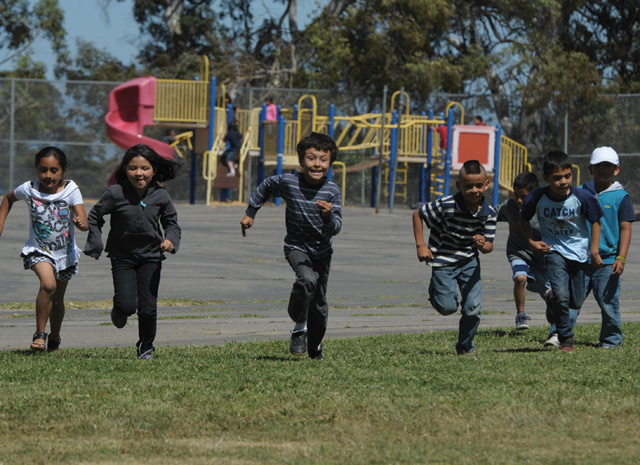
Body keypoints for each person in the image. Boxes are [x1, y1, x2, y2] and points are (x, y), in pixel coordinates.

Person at [240, 132, 342, 359]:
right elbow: (266, 186)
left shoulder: (332, 191)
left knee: (319, 304)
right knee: (307, 279)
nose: (317, 164)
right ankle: (299, 326)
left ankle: (315, 346)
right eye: (311, 158)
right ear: (301, 160)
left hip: (322, 252)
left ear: (330, 163)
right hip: (296, 246)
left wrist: (327, 216)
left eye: (323, 159)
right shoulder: (290, 182)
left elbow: (336, 228)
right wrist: (251, 212)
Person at [84, 144, 181, 360]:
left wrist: (171, 240)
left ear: (154, 169)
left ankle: (146, 347)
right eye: (133, 168)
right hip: (122, 257)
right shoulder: (115, 193)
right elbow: (94, 217)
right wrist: (95, 243)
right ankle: (119, 310)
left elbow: (172, 223)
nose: (139, 173)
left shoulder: (161, 195)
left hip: (151, 257)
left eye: (145, 168)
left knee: (148, 307)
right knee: (127, 305)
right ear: (125, 169)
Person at [0, 146, 88, 351]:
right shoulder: (29, 189)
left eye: (54, 170)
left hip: (65, 254)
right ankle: (40, 335)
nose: (48, 175)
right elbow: (8, 199)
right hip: (38, 250)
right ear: (36, 169)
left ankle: (54, 338)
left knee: (57, 301)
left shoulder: (71, 189)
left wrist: (82, 223)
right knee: (48, 285)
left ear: (63, 170)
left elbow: (82, 217)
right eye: (43, 170)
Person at [521, 150, 603, 353]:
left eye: (567, 176)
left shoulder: (582, 197)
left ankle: (552, 302)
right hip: (554, 251)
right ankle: (566, 339)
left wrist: (594, 250)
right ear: (546, 178)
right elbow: (523, 219)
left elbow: (596, 221)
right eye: (557, 178)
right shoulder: (537, 197)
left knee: (575, 301)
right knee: (561, 295)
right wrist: (532, 242)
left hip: (580, 253)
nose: (563, 181)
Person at [413, 160, 497, 355]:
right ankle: (436, 290)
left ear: (486, 184)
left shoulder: (489, 214)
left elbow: (489, 247)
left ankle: (465, 346)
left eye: (479, 185)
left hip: (469, 261)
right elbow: (418, 214)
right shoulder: (447, 205)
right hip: (443, 261)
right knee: (447, 308)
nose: (474, 190)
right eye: (468, 186)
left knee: (473, 308)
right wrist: (421, 245)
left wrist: (482, 245)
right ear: (459, 185)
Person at [581, 146, 634, 348]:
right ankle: (561, 335)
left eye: (607, 165)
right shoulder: (580, 192)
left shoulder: (621, 197)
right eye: (598, 165)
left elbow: (625, 229)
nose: (602, 169)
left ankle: (611, 340)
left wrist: (621, 257)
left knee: (608, 301)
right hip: (579, 258)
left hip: (608, 260)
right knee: (570, 301)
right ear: (590, 169)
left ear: (616, 169)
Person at [494, 171, 551, 330]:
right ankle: (520, 315)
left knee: (549, 295)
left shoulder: (543, 209)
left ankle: (557, 322)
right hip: (518, 252)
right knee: (520, 278)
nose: (519, 200)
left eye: (524, 196)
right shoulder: (509, 207)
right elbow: (490, 215)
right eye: (516, 195)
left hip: (540, 258)